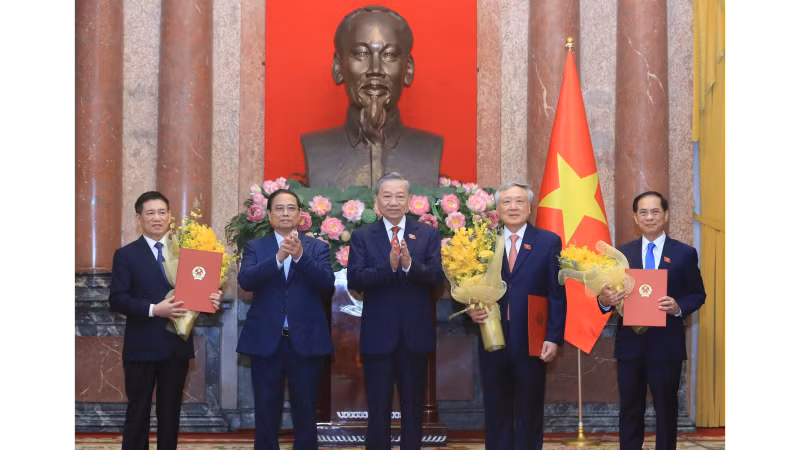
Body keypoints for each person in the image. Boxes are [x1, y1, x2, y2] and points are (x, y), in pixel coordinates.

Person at [109, 191, 221, 450]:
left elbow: (195, 297)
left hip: (175, 346)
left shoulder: (188, 253)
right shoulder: (126, 255)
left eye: (162, 212)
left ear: (170, 216)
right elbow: (117, 299)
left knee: (170, 414)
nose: (157, 218)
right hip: (141, 347)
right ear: (139, 218)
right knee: (138, 412)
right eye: (150, 213)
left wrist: (210, 303)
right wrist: (152, 309)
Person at [598, 191, 705, 450]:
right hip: (630, 346)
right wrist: (605, 299)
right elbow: (604, 300)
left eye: (655, 211)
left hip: (666, 346)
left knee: (666, 410)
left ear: (666, 215)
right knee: (630, 409)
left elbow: (697, 294)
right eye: (643, 212)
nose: (649, 217)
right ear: (635, 217)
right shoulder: (621, 256)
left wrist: (679, 306)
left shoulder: (684, 253)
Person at [347, 172, 444, 450]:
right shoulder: (363, 236)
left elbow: (437, 279)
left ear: (410, 200)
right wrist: (388, 267)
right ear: (376, 201)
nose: (393, 202)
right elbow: (356, 279)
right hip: (379, 335)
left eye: (400, 196)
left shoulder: (427, 234)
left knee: (413, 408)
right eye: (386, 196)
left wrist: (410, 265)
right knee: (378, 407)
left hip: (415, 335)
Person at [466, 182, 566, 450]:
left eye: (519, 201)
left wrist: (554, 337)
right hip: (492, 336)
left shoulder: (548, 242)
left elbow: (556, 294)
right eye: (507, 202)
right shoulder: (482, 241)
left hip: (532, 339)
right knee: (496, 407)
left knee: (529, 408)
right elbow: (468, 288)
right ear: (497, 208)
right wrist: (470, 312)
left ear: (530, 207)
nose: (513, 207)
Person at [302, 5, 443, 188]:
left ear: (408, 69)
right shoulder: (316, 148)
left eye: (389, 55)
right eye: (361, 54)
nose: (375, 70)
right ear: (338, 67)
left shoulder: (429, 148)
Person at [236, 189, 335, 450]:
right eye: (279, 208)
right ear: (269, 215)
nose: (285, 213)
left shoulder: (317, 247)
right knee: (266, 412)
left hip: (307, 341)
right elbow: (245, 280)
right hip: (266, 341)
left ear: (300, 215)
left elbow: (327, 284)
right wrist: (278, 258)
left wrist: (300, 257)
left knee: (306, 412)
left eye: (291, 208)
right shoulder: (256, 247)